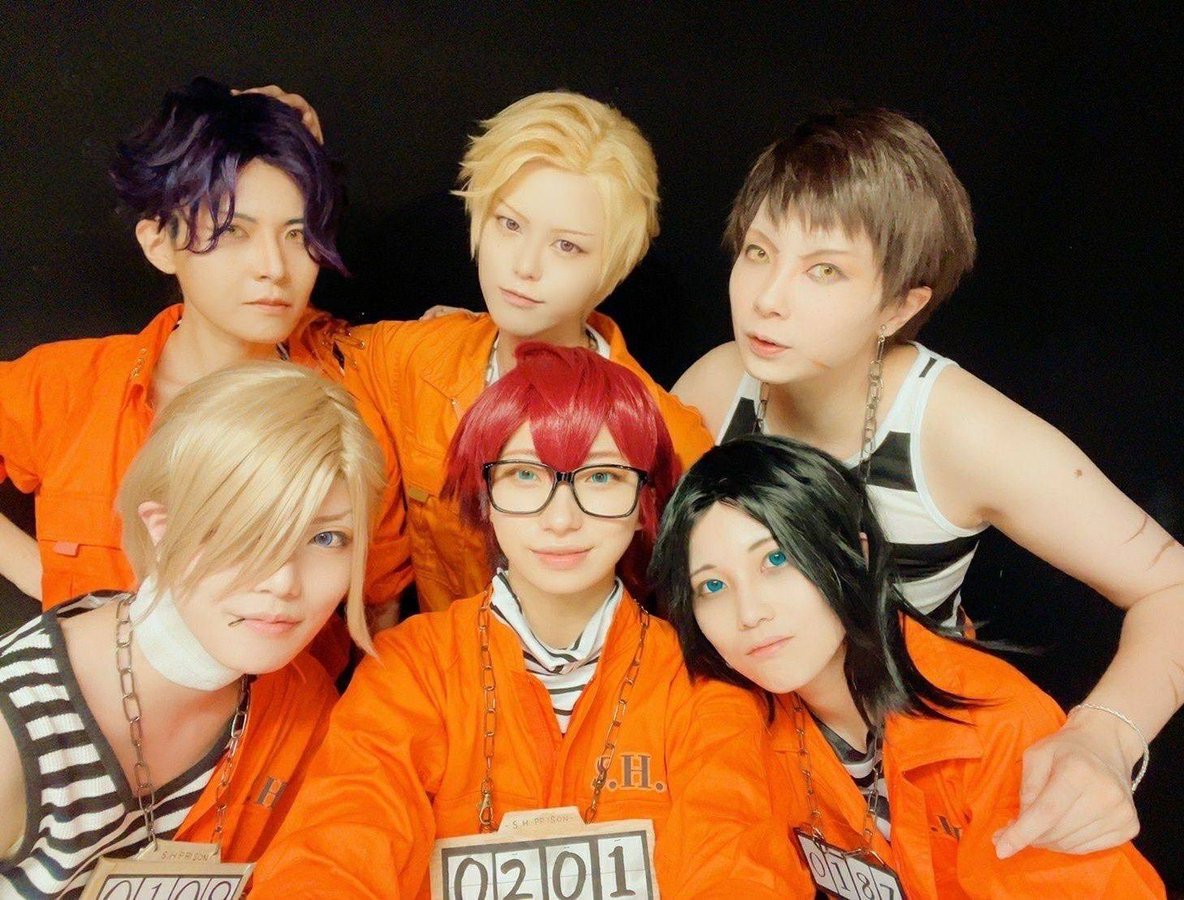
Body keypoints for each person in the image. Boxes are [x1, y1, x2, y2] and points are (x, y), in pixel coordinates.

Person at [671, 108, 1184, 857]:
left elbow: (1181, 589)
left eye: (824, 269)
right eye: (759, 252)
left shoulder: (956, 431)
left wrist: (1105, 738)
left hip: (924, 778)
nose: (767, 298)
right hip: (758, 760)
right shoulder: (716, 388)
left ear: (901, 304)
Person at [251, 346, 797, 898]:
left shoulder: (700, 677)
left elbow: (738, 862)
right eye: (525, 474)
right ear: (484, 496)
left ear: (644, 503)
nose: (561, 518)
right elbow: (335, 849)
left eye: (602, 477)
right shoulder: (412, 668)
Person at [652, 435, 1164, 897]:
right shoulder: (734, 710)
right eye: (712, 586)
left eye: (776, 560)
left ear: (855, 553)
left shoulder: (994, 726)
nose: (749, 613)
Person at [0, 361, 384, 898]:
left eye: (326, 539)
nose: (282, 581)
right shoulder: (15, 733)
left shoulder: (301, 700)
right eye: (245, 529)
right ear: (161, 529)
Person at [339, 90, 712, 614]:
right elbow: (298, 351)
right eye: (509, 224)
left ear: (612, 267)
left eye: (567, 245)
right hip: (436, 659)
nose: (525, 266)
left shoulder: (670, 436)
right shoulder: (411, 359)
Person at [0, 77, 350, 615]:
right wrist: (41, 575)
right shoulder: (66, 385)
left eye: (297, 235)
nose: (274, 269)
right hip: (98, 668)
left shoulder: (356, 391)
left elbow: (379, 603)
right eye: (233, 231)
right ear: (159, 244)